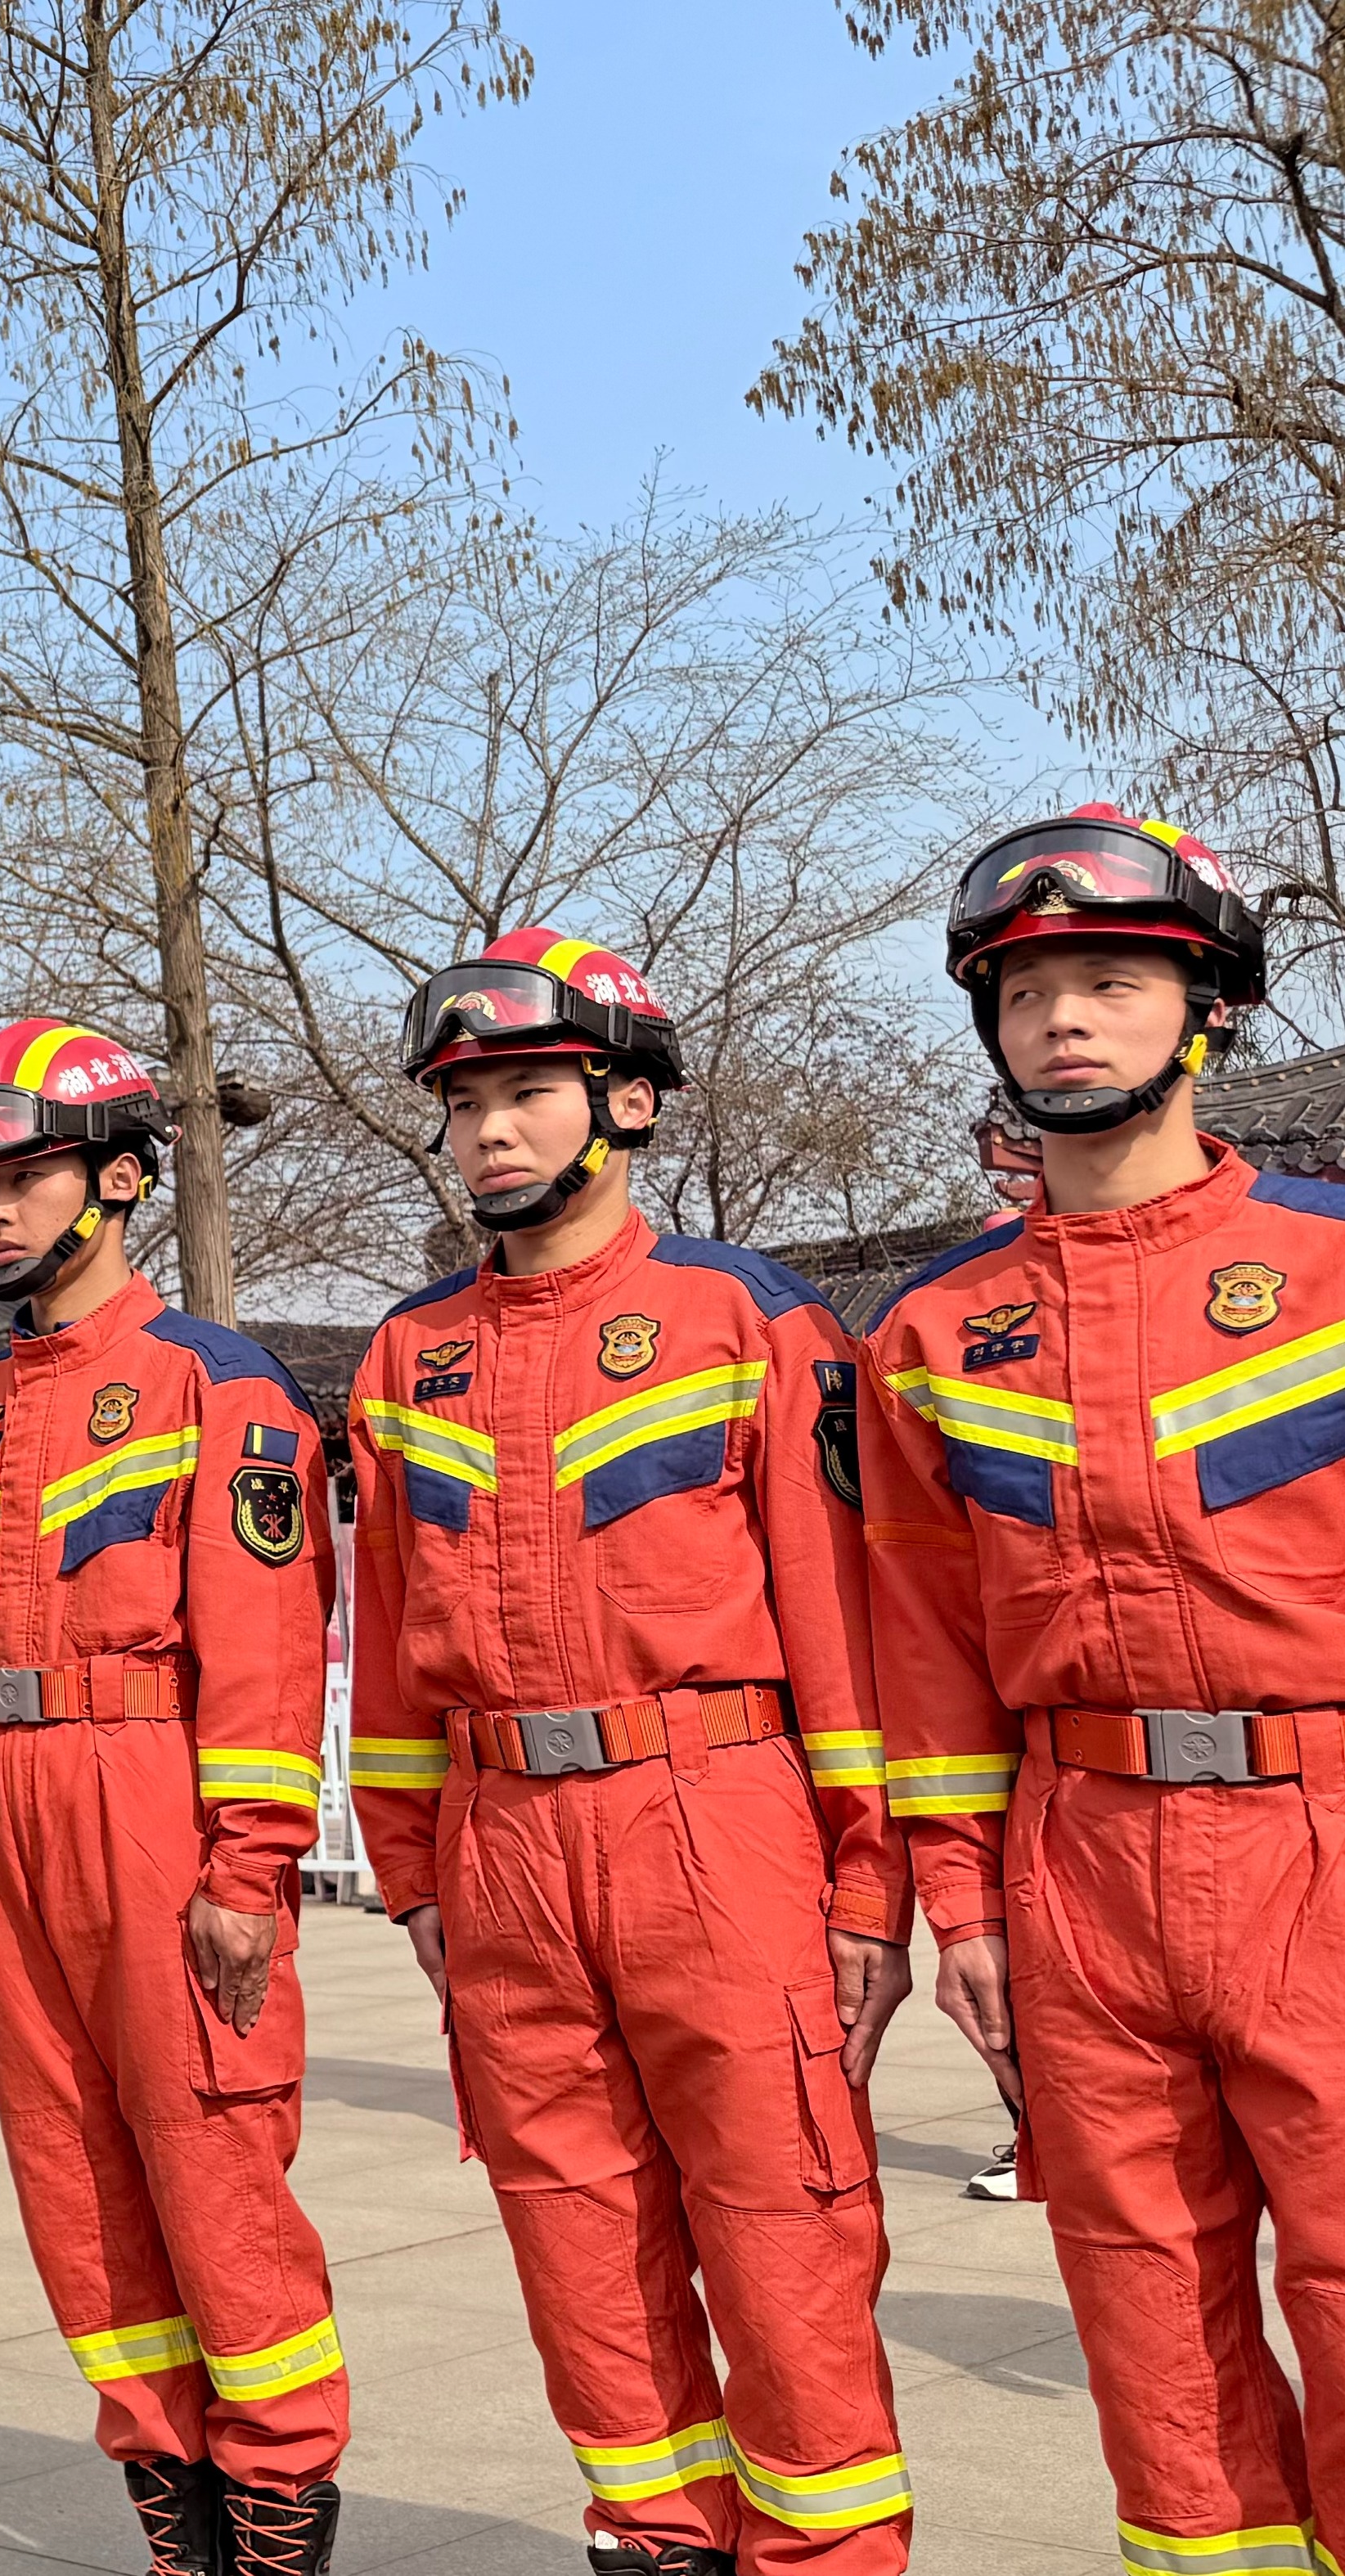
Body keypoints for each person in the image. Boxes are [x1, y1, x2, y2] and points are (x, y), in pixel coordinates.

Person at [337, 929, 915, 2576]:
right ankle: (652, 2539)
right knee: (573, 2241)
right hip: (498, 1839)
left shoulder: (746, 1317)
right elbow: (389, 1645)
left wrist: (865, 1880)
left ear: (628, 1102)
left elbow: (840, 1624)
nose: (487, 1130)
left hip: (712, 1815)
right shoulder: (403, 1357)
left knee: (782, 2235)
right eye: (463, 1103)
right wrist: (410, 1872)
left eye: (527, 1091)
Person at [864, 806, 1345, 2576]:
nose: (1061, 1016)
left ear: (1207, 1007)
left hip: (1319, 1825)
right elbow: (921, 1646)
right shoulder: (929, 1333)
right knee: (1141, 2297)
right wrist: (958, 1897)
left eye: (1111, 981)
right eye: (1023, 990)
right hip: (1074, 1853)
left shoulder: (1329, 1263)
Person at [0, 1017, 348, 2576]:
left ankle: (275, 2516)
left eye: (23, 1178)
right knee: (70, 2172)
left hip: (148, 1793)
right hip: (0, 1813)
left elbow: (265, 1655)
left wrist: (247, 1867)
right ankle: (173, 2521)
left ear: (120, 1181)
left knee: (212, 2170)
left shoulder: (215, 1386)